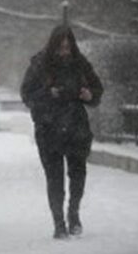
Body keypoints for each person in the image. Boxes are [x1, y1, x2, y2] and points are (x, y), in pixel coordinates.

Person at [20, 25, 103, 239]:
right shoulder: (40, 64)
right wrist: (48, 93)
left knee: (78, 173)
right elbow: (27, 94)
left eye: (68, 47)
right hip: (49, 128)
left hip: (76, 126)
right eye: (61, 47)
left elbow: (97, 89)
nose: (65, 52)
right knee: (54, 177)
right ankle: (58, 222)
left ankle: (73, 212)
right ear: (53, 46)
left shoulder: (80, 63)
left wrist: (89, 95)